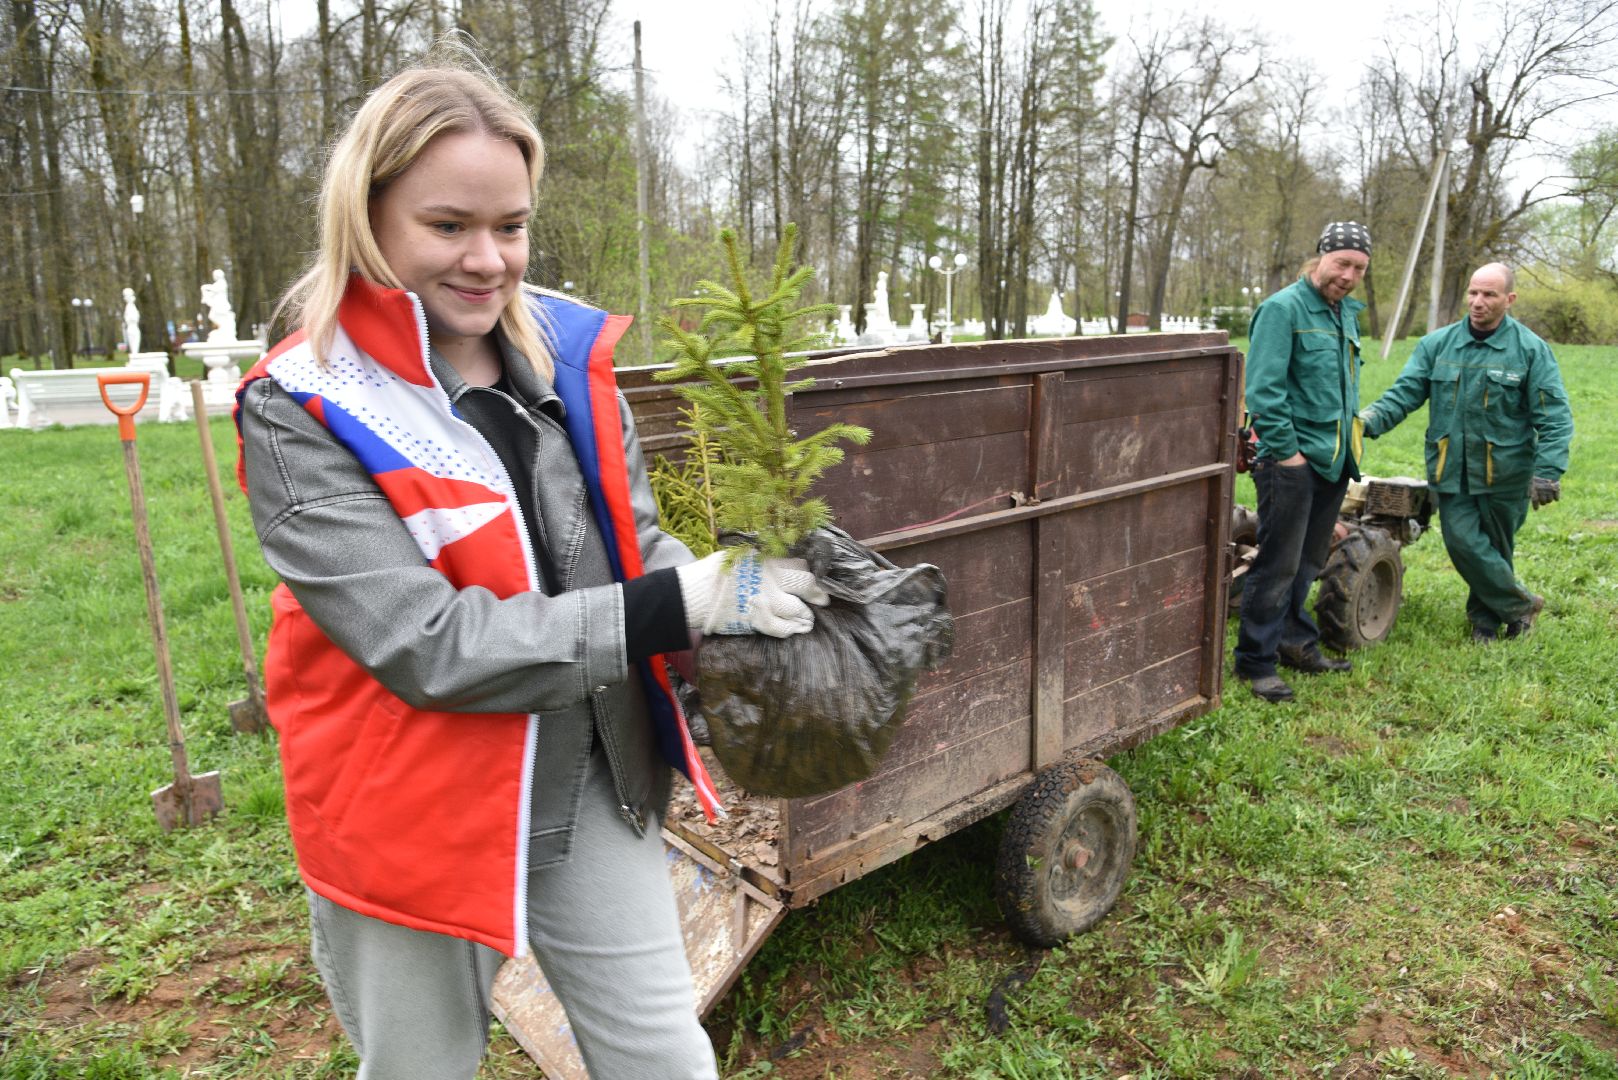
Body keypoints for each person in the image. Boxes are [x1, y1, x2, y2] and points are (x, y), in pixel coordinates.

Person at [235, 44, 827, 1080]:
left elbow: (634, 543)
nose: (488, 259)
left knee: (664, 1058)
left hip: (588, 770)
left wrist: (731, 596)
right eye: (447, 226)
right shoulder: (304, 404)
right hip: (409, 802)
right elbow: (428, 644)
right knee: (421, 1069)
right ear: (367, 218)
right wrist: (670, 606)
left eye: (509, 226)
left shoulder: (566, 357)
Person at [1359, 263, 1572, 642]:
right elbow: (1403, 394)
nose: (1477, 301)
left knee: (1496, 547)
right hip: (1450, 467)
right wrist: (1364, 423)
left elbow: (1554, 415)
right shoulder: (1438, 345)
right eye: (1473, 292)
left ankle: (1485, 623)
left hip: (1506, 471)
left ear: (1509, 299)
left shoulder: (1529, 350)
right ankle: (1522, 605)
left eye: (1489, 294)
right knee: (1463, 542)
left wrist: (1548, 471)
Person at [1233, 221, 1372, 704]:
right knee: (1277, 565)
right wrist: (1288, 455)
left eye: (1359, 268)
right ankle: (1255, 663)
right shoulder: (1282, 309)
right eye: (1342, 263)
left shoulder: (1345, 313)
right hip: (1290, 462)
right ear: (1320, 258)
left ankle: (1295, 643)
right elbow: (1263, 390)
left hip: (1333, 461)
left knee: (1310, 561)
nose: (1349, 275)